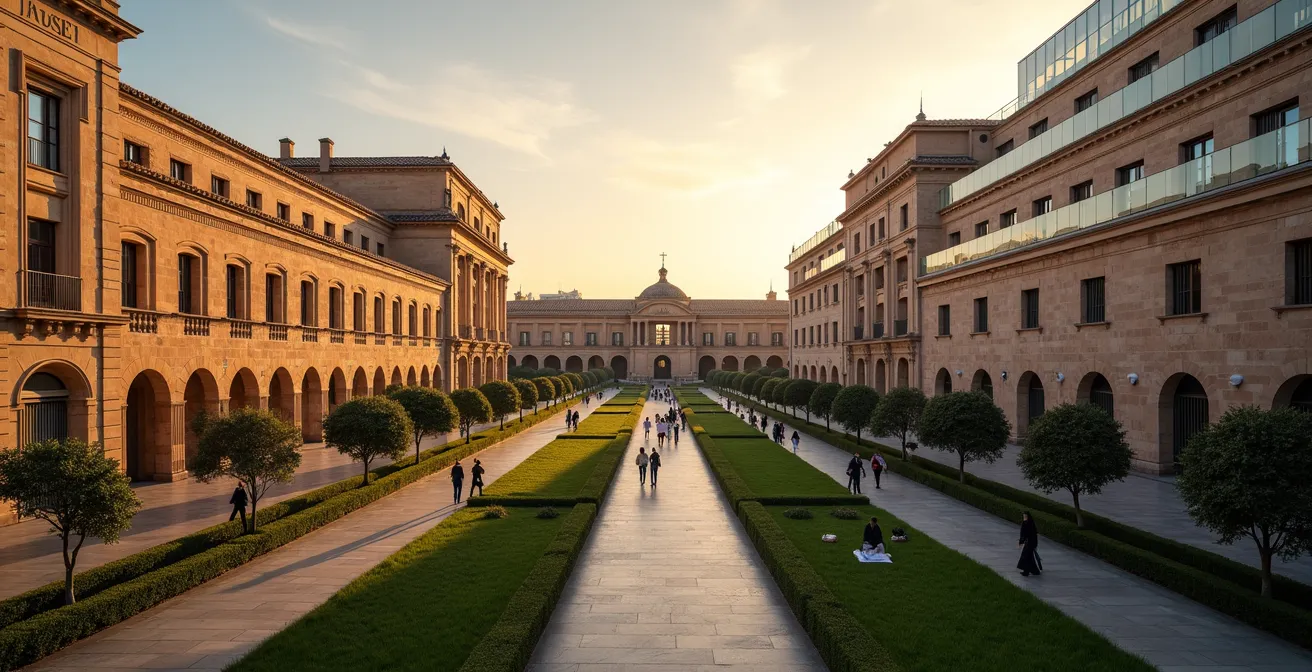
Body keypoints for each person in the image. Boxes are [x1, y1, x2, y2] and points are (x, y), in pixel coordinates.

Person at [1017, 511, 1042, 576]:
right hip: (1029, 543)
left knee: (1026, 557)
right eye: (1024, 516)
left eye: (1025, 516)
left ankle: (1026, 572)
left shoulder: (1027, 524)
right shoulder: (1029, 523)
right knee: (1029, 557)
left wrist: (1021, 541)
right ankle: (1034, 571)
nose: (1024, 518)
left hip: (1030, 543)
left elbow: (1024, 534)